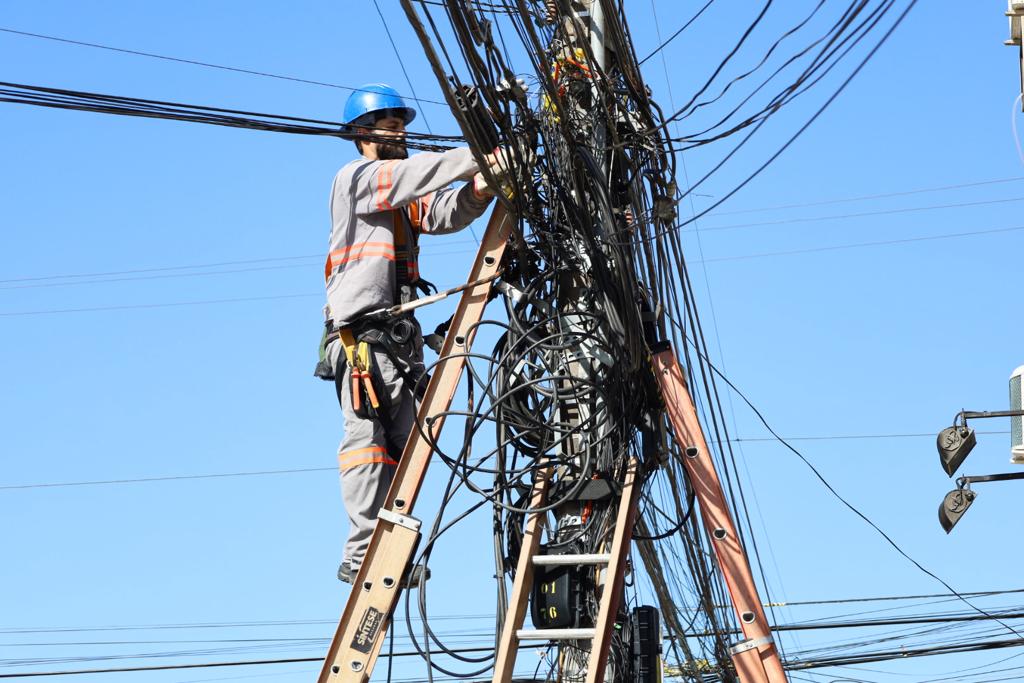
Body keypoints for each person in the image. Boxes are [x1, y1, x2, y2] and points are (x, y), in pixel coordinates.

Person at [323, 83, 500, 584]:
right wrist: (481, 154)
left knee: (405, 450)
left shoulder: (398, 194)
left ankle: (391, 547)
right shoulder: (356, 177)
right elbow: (411, 175)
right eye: (388, 126)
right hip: (360, 337)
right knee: (366, 443)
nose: (399, 134)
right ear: (361, 133)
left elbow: (441, 213)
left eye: (402, 126)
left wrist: (482, 187)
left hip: (396, 339)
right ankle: (361, 553)